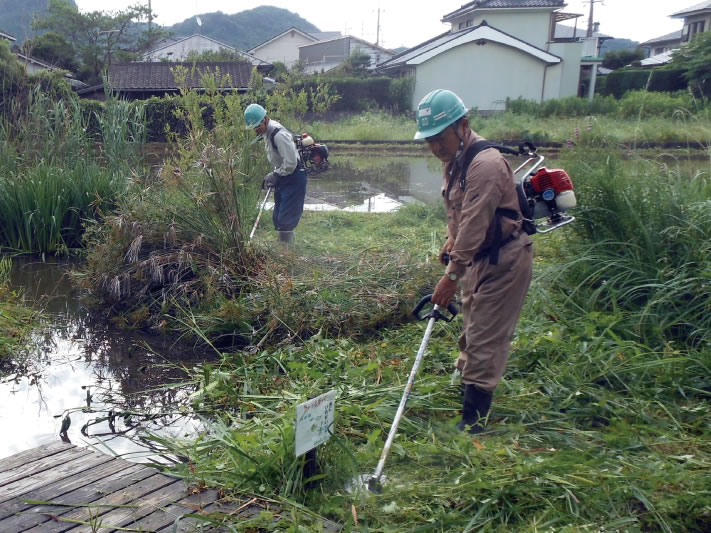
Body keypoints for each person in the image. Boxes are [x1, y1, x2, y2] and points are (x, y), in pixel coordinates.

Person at [414, 89, 533, 434]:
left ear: (462, 126)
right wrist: (451, 242)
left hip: (504, 260)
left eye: (440, 139)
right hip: (479, 258)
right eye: (430, 141)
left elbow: (478, 222)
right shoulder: (454, 162)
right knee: (471, 330)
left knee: (484, 338)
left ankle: (472, 425)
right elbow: (462, 215)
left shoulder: (486, 164)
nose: (436, 147)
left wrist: (450, 276)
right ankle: (468, 390)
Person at [244, 103, 307, 245]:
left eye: (257, 127)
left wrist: (276, 175)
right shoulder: (267, 132)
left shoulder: (279, 135)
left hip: (294, 177)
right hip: (285, 176)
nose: (256, 131)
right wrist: (273, 175)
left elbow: (291, 163)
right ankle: (285, 247)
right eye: (253, 128)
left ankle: (286, 252)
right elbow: (278, 158)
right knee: (279, 217)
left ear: (265, 119)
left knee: (286, 218)